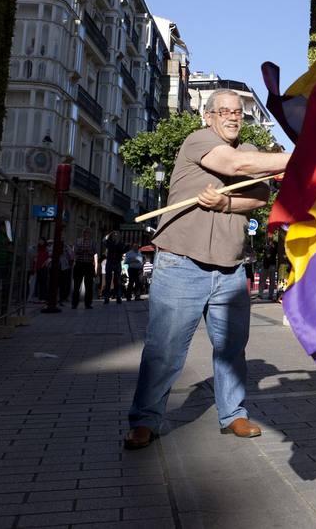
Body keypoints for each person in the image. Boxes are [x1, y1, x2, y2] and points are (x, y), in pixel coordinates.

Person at [124, 90, 290, 450]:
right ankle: (145, 420)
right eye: (224, 111)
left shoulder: (249, 151)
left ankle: (234, 414)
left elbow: (260, 197)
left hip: (230, 269)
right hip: (181, 262)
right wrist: (298, 158)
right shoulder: (199, 140)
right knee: (164, 349)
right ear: (208, 116)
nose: (232, 117)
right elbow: (233, 167)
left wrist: (225, 202)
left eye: (238, 112)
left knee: (231, 348)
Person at [70, 232, 95, 309]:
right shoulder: (78, 241)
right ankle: (74, 303)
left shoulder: (93, 242)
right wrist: (83, 250)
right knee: (76, 285)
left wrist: (88, 251)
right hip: (79, 264)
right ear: (83, 234)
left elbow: (95, 252)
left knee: (89, 285)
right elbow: (75, 252)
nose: (86, 235)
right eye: (84, 233)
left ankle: (88, 304)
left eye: (87, 233)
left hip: (89, 264)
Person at [101, 231, 126, 303]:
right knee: (108, 281)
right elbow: (103, 240)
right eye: (114, 235)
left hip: (117, 263)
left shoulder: (121, 243)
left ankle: (118, 297)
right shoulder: (109, 242)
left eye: (117, 235)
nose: (115, 236)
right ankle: (106, 298)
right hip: (110, 263)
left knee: (117, 281)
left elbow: (124, 250)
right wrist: (109, 234)